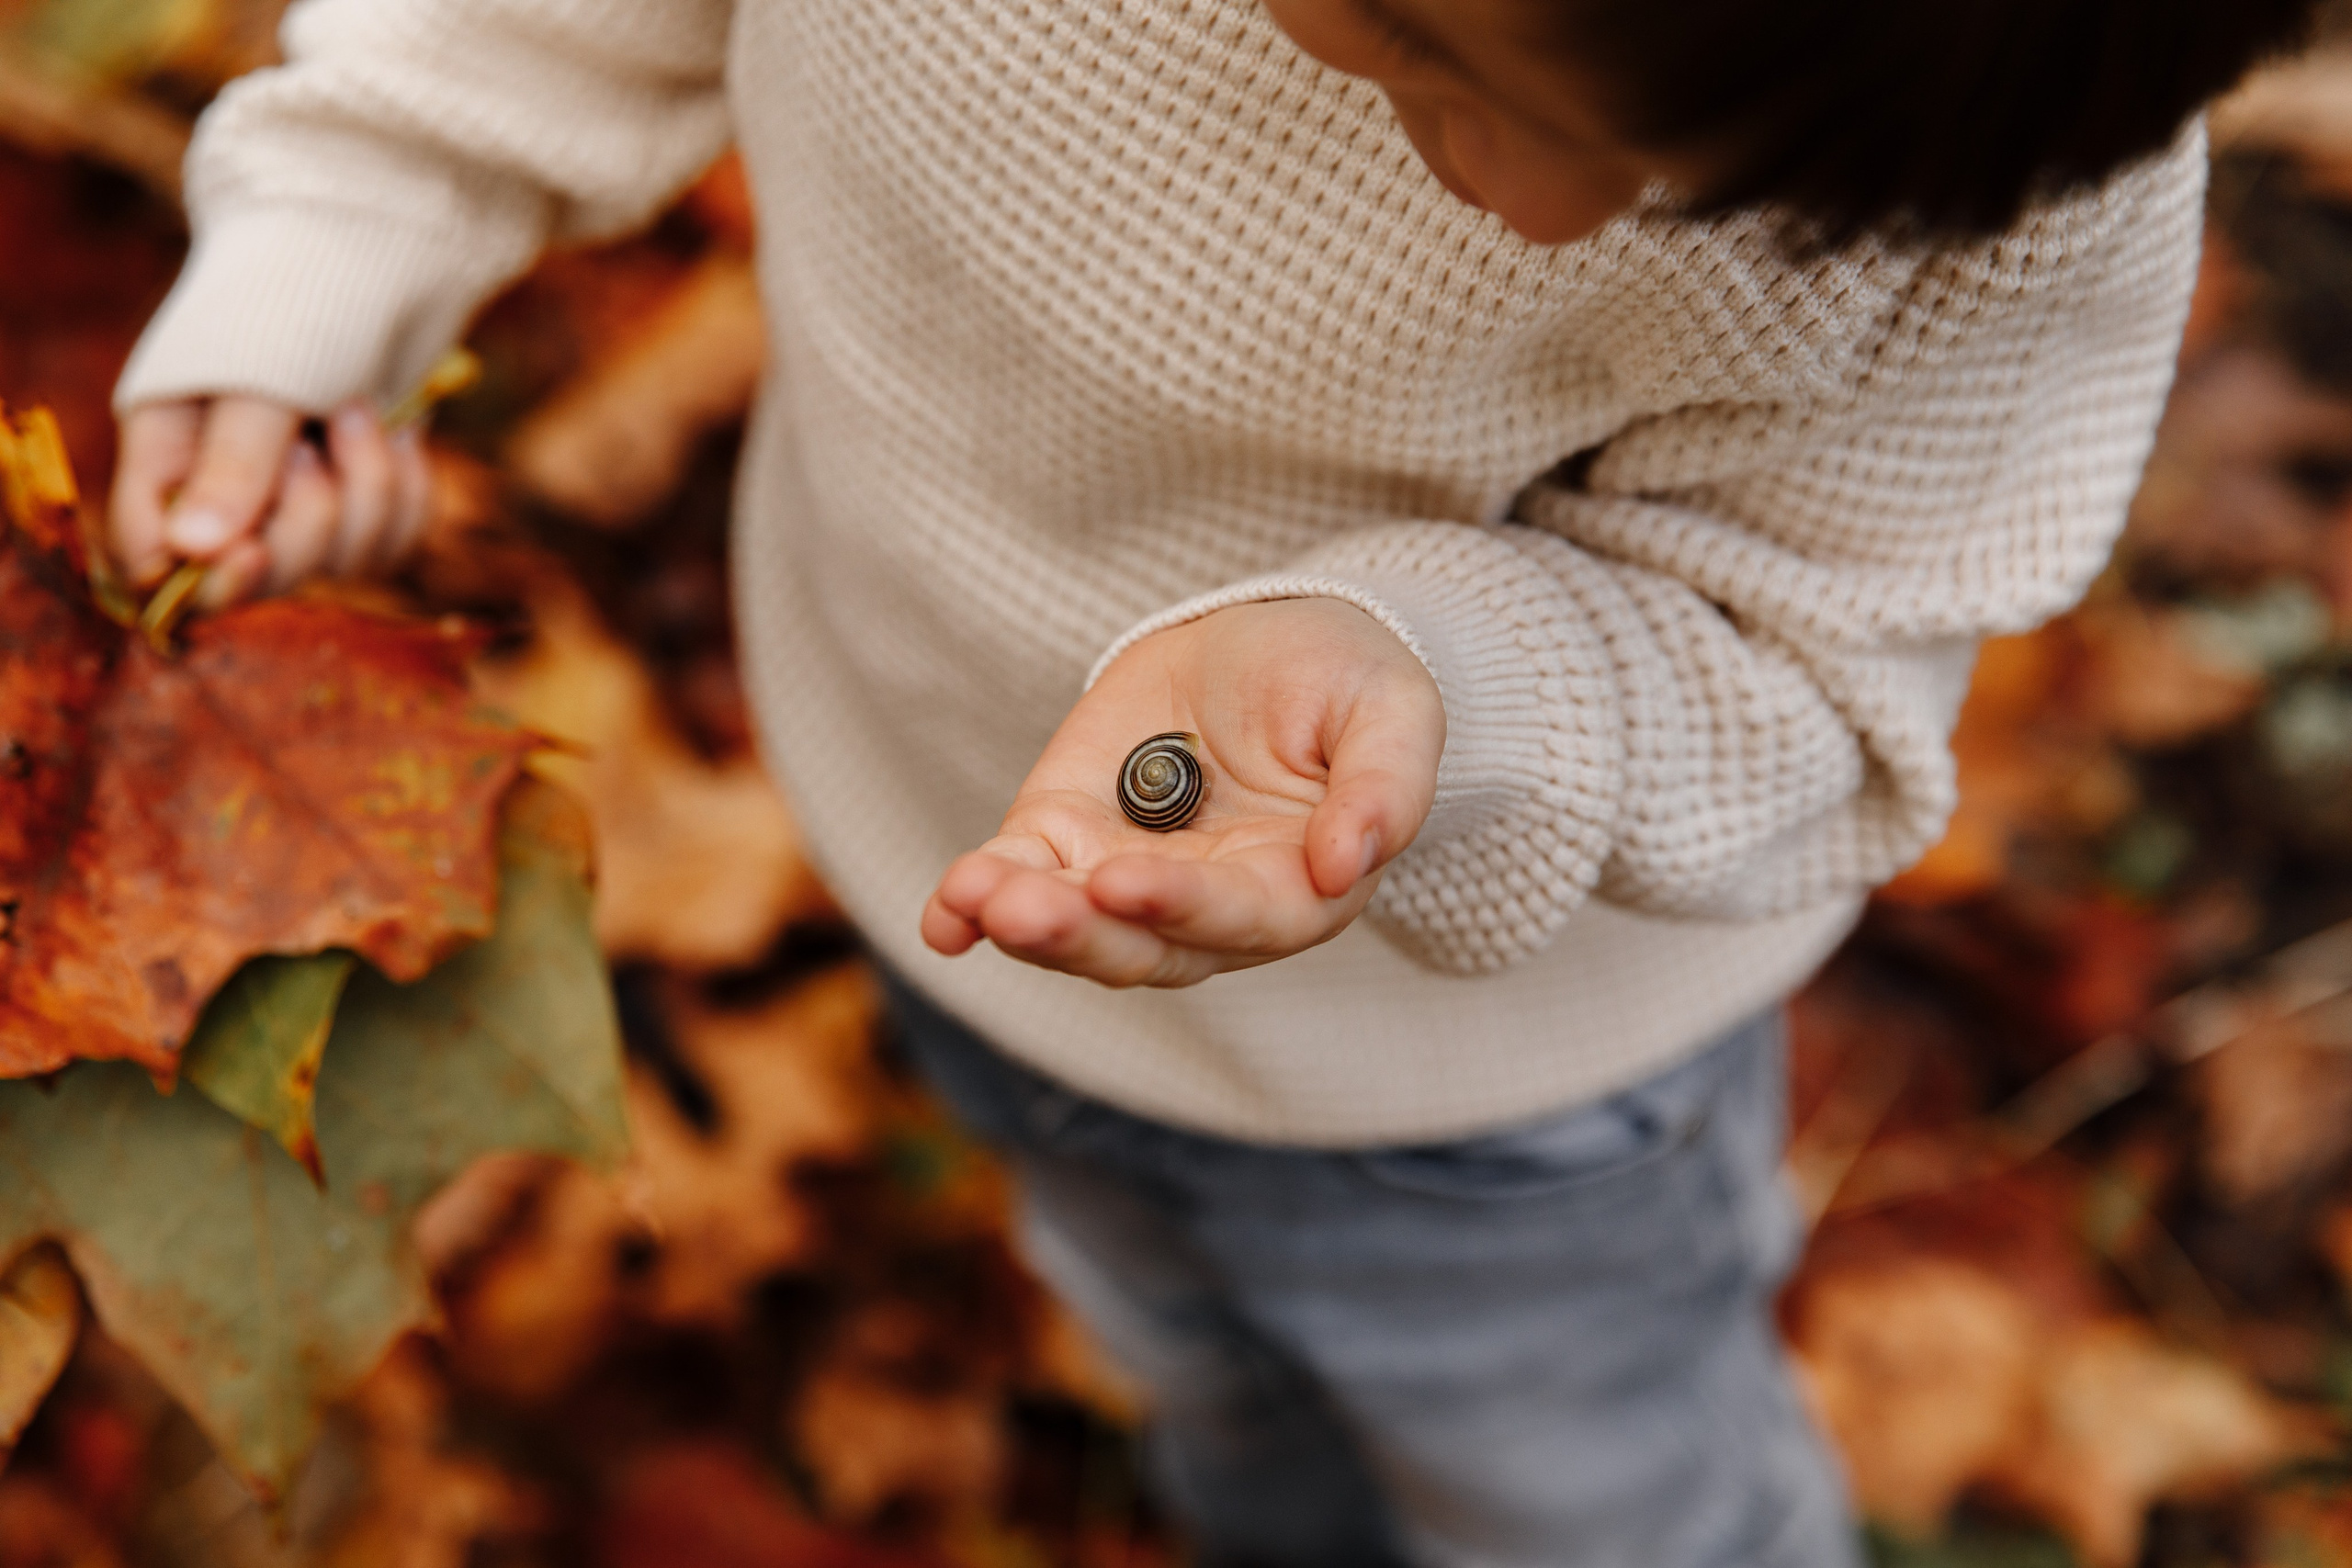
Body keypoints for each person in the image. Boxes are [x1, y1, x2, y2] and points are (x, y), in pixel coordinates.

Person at [108, 0, 2319, 1561]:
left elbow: (1807, 678)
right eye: (1411, 43)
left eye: (1678, 189)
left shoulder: (1989, 156)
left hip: (1489, 1104)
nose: (1538, 214)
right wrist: (334, 252)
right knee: (1182, 1337)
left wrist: (1438, 683)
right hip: (937, 839)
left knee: (1580, 1494)